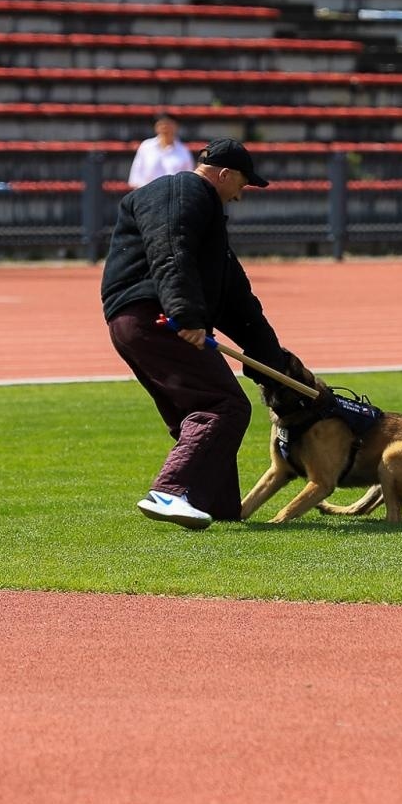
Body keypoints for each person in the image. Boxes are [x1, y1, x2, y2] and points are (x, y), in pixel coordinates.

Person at [101, 138, 286, 530]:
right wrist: (185, 313)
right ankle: (172, 492)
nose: (239, 196)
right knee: (223, 404)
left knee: (198, 412)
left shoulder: (203, 212)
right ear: (224, 174)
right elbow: (169, 249)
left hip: (145, 318)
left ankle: (218, 506)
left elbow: (237, 300)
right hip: (157, 317)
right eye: (242, 184)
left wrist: (274, 365)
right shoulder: (180, 191)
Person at [127, 113, 194, 189]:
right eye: (161, 124)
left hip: (173, 195)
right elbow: (136, 175)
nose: (165, 127)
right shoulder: (146, 146)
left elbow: (189, 178)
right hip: (147, 194)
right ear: (156, 127)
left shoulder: (183, 150)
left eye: (169, 124)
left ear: (176, 127)